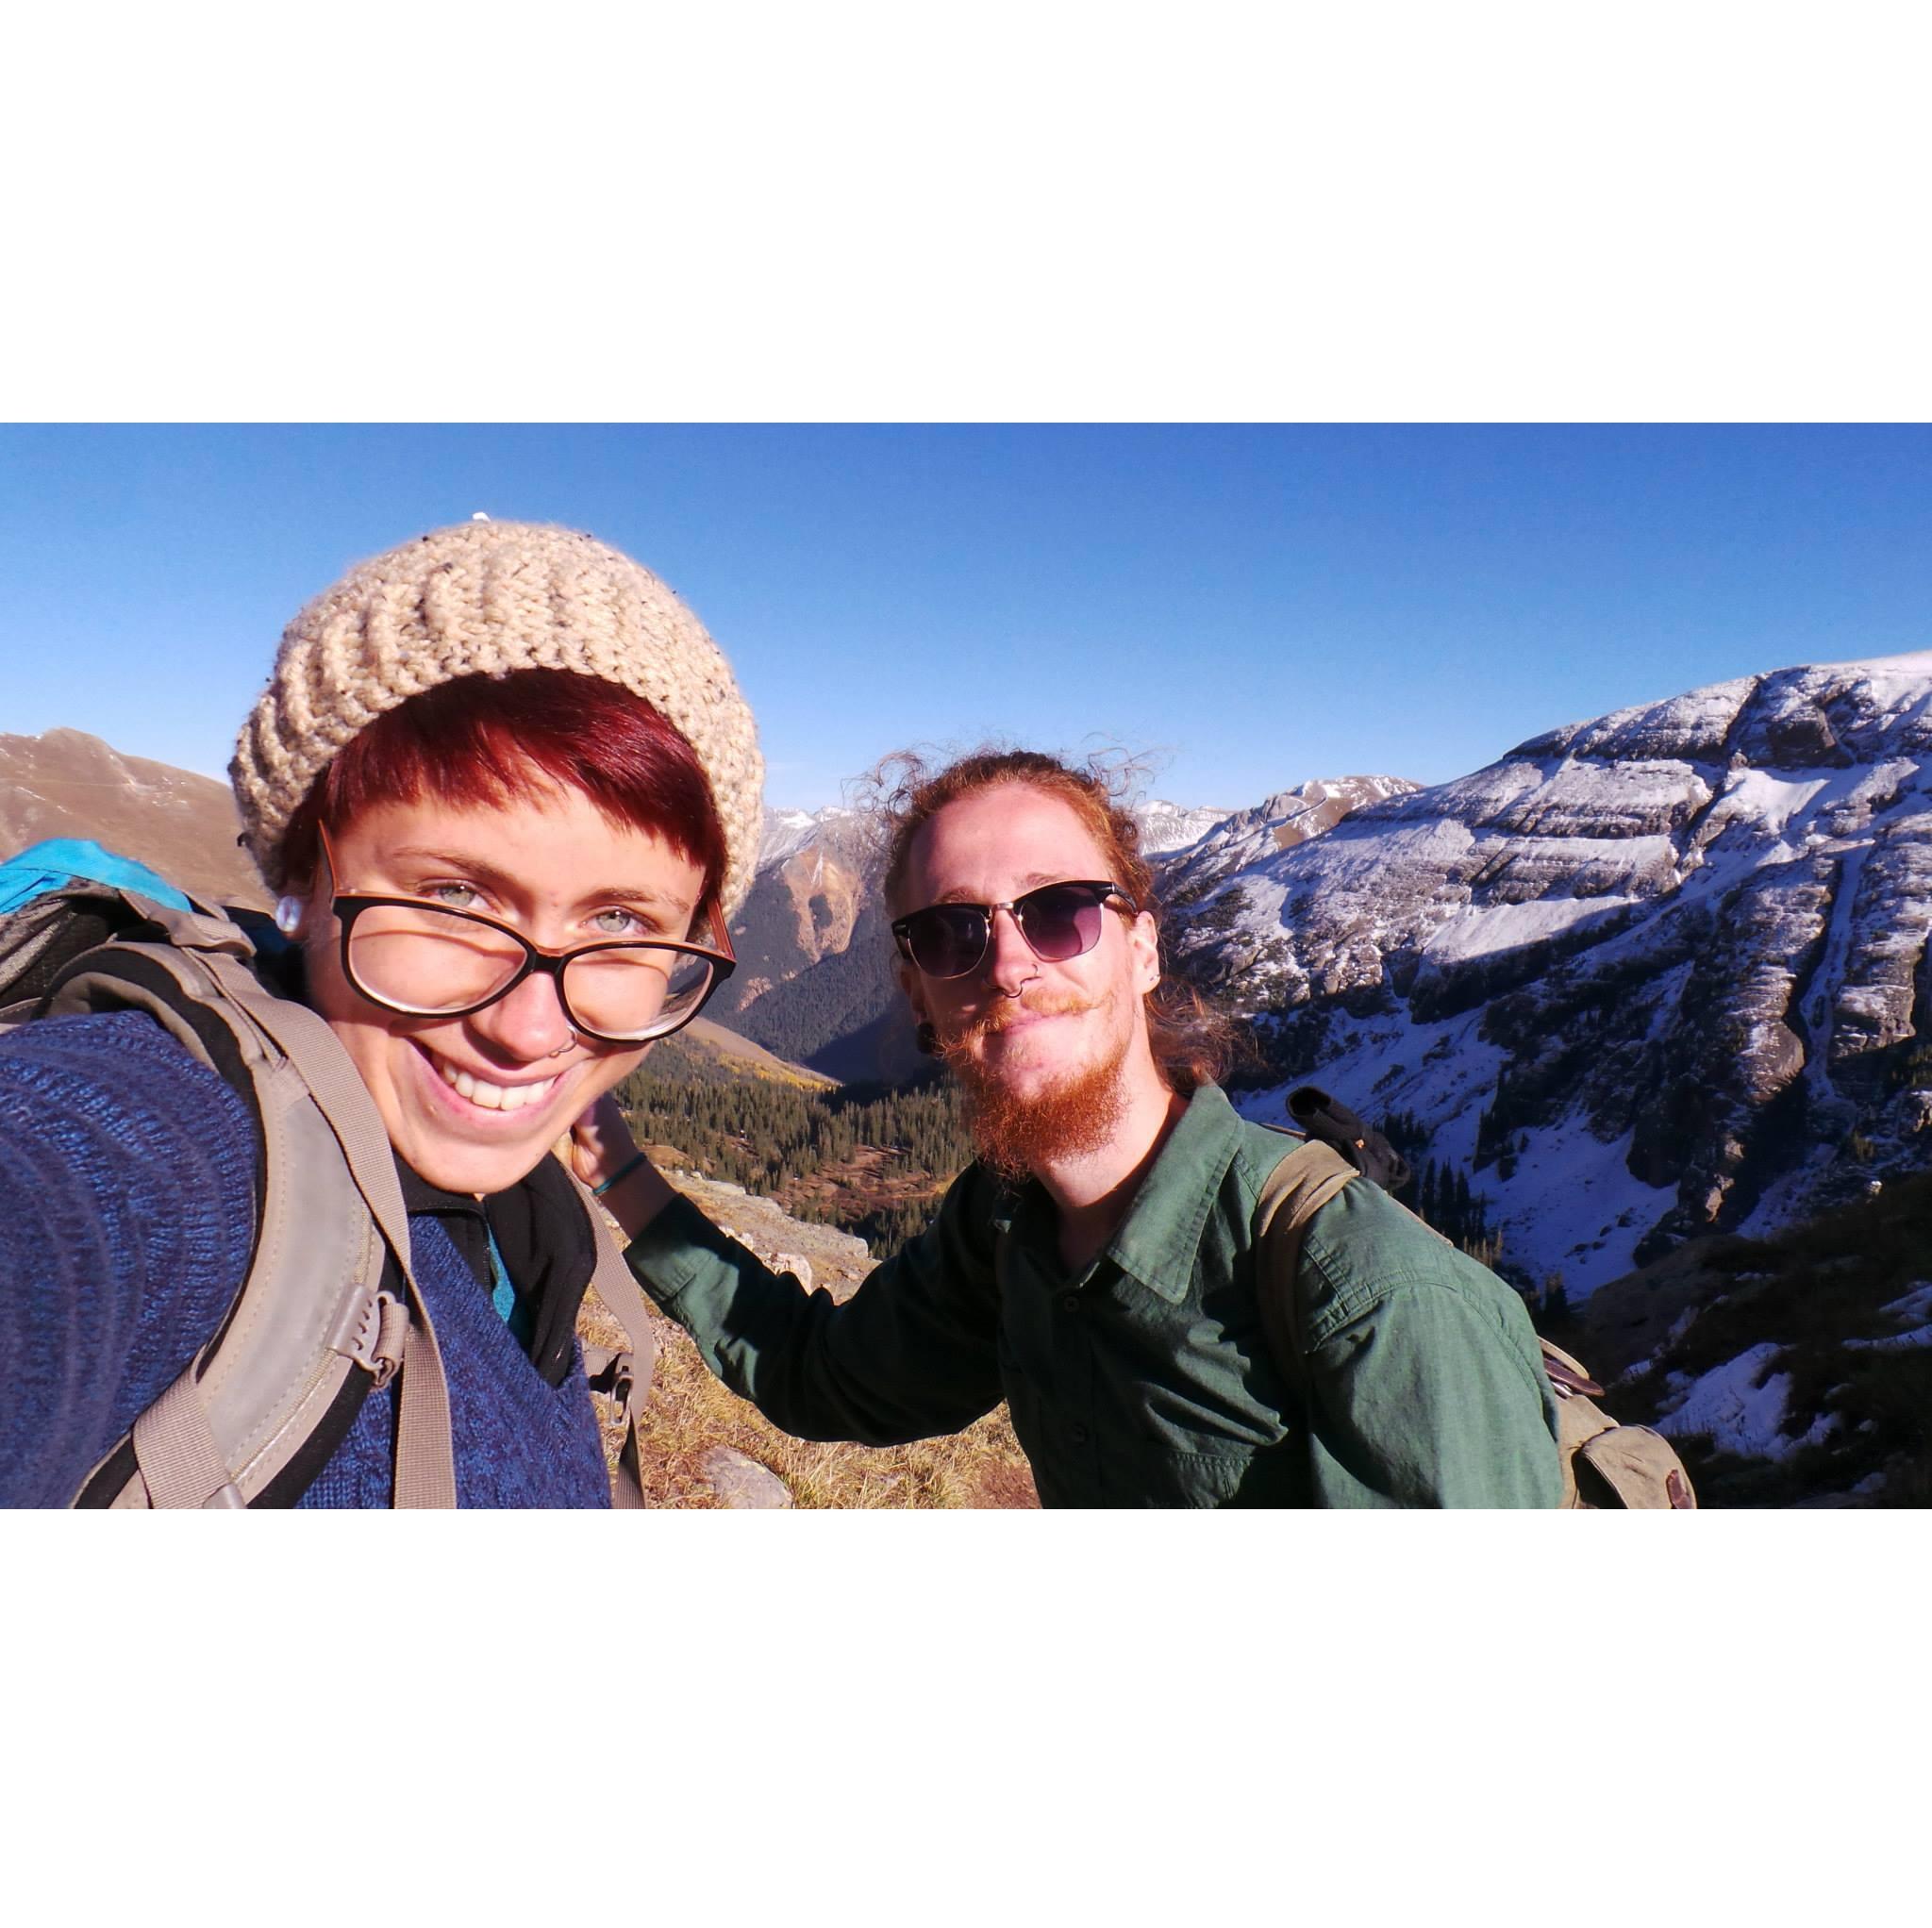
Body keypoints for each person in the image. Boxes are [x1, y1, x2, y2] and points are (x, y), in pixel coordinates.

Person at [0, 520, 762, 1507]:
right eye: (454, 897)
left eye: (621, 919)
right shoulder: (166, 1146)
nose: (530, 1031)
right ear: (304, 877)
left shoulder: (526, 1222)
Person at [577, 749, 1563, 1506]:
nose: (1007, 963)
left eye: (1058, 913)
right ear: (920, 996)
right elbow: (820, 1377)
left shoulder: (1371, 1295)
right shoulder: (1006, 1228)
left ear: (1139, 949)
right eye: (950, 932)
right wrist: (615, 1161)